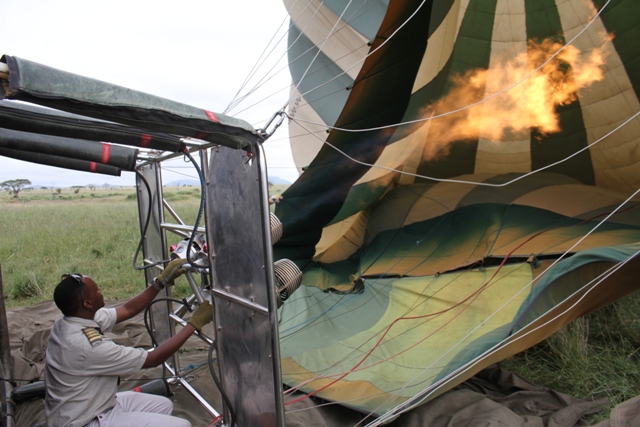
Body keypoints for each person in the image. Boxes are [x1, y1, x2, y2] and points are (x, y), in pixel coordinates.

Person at [43, 259, 213, 427]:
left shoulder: (69, 320)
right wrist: (193, 324)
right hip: (84, 421)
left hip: (92, 404)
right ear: (87, 304)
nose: (101, 290)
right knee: (181, 425)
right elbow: (153, 359)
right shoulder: (87, 346)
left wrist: (160, 282)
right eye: (96, 290)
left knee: (163, 405)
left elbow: (127, 310)